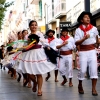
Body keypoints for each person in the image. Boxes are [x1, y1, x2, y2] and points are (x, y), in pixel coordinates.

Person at [18, 20, 56, 96]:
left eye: (35, 25)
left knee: (39, 73)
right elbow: (25, 45)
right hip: (30, 55)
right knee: (29, 73)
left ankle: (39, 90)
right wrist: (24, 48)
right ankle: (35, 83)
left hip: (39, 54)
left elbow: (44, 43)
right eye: (32, 25)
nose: (34, 26)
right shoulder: (27, 36)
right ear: (29, 27)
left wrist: (47, 46)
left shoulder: (40, 34)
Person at [74, 11, 99, 96]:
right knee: (83, 70)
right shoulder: (78, 30)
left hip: (92, 51)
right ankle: (80, 84)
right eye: (85, 17)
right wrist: (84, 38)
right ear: (81, 20)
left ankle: (94, 89)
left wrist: (98, 43)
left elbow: (96, 40)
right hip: (83, 52)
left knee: (93, 70)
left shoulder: (94, 28)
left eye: (89, 17)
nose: (88, 18)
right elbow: (76, 42)